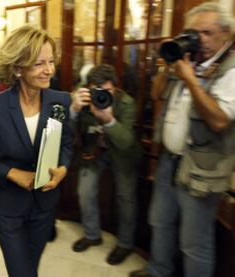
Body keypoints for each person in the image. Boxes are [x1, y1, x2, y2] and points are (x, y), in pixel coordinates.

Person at [131, 3, 235, 277]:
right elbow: (156, 94)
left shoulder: (231, 70)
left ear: (227, 33)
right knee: (160, 221)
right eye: (194, 32)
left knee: (194, 243)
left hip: (200, 169)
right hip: (169, 159)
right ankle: (158, 270)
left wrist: (189, 79)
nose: (199, 39)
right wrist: (169, 64)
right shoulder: (190, 60)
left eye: (207, 32)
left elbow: (219, 120)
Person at [0, 25, 73, 277]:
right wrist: (13, 173)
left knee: (30, 269)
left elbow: (66, 143)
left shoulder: (60, 101)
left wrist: (63, 168)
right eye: (38, 64)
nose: (49, 70)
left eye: (50, 62)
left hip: (44, 207)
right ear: (17, 68)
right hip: (7, 207)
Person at [70, 64, 140, 265]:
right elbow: (62, 129)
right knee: (85, 191)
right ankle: (92, 234)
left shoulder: (126, 103)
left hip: (121, 154)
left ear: (115, 89)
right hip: (94, 151)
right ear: (89, 87)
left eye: (108, 91)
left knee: (126, 197)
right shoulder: (81, 98)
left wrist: (109, 121)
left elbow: (127, 141)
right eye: (98, 91)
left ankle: (125, 243)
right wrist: (74, 109)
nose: (103, 95)